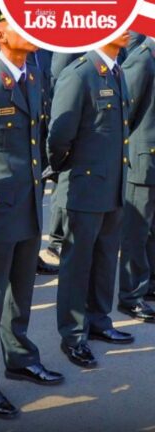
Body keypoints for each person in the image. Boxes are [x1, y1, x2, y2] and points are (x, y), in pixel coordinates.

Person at [0, 5, 64, 420]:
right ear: (0, 35)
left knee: (21, 293)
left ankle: (20, 358)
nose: (35, 31)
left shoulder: (34, 73)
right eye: (24, 25)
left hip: (28, 205)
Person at [47, 31, 135, 369]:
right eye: (118, 24)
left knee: (105, 258)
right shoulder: (79, 73)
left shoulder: (117, 70)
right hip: (84, 185)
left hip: (113, 185)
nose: (127, 30)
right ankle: (72, 334)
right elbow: (59, 135)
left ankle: (99, 321)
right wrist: (67, 171)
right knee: (77, 263)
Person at [118, 36, 155, 322]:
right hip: (142, 159)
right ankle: (131, 296)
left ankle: (149, 284)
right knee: (136, 232)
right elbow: (122, 113)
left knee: (151, 231)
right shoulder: (142, 59)